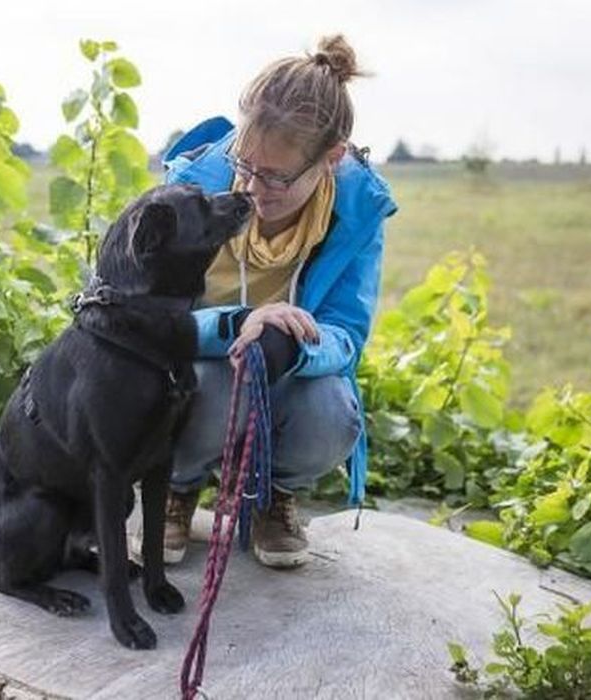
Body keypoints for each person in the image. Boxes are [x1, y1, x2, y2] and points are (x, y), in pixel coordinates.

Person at [159, 35, 397, 569]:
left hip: (281, 365)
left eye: (276, 178)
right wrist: (239, 323)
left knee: (331, 411)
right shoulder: (192, 189)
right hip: (197, 365)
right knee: (213, 384)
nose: (251, 188)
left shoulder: (359, 211)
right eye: (244, 164)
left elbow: (346, 335)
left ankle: (273, 495)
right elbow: (151, 316)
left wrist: (292, 343)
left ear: (331, 159)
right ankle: (174, 487)